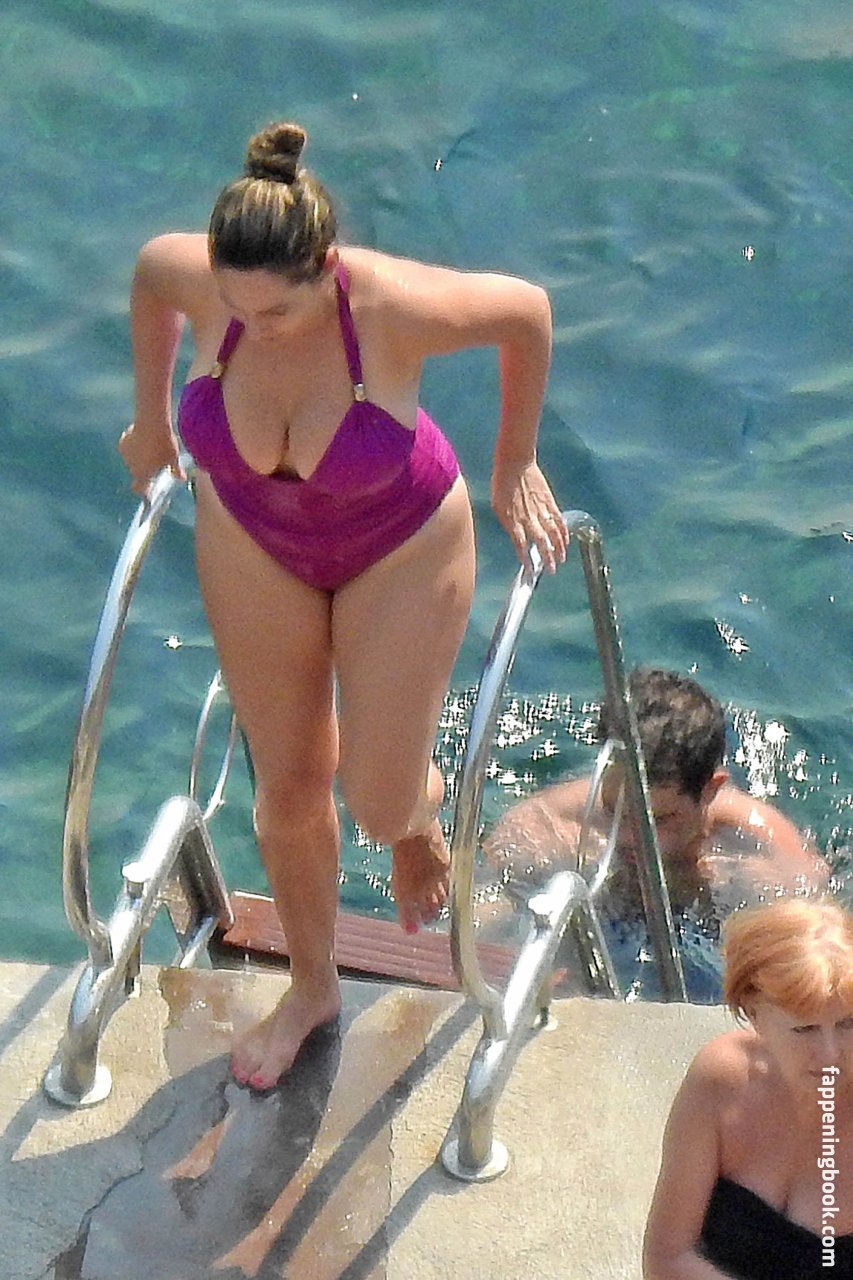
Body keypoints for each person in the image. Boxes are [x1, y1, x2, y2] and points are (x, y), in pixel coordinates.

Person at [118, 121, 567, 1090]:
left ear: (325, 269)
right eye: (235, 305)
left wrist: (514, 460)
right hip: (252, 536)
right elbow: (152, 282)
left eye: (276, 310)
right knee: (286, 791)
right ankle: (311, 988)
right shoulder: (196, 276)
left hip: (398, 542)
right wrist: (151, 422)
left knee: (375, 795)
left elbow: (525, 313)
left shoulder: (391, 305)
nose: (255, 325)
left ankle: (416, 822)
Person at [485, 667, 829, 918]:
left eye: (657, 821)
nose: (629, 837)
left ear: (710, 790)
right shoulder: (549, 824)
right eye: (615, 811)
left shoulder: (762, 852)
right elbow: (484, 909)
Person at [643, 897, 853, 1278]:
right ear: (754, 1015)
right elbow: (668, 1256)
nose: (830, 1054)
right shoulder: (720, 1080)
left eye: (848, 1024)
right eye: (804, 1029)